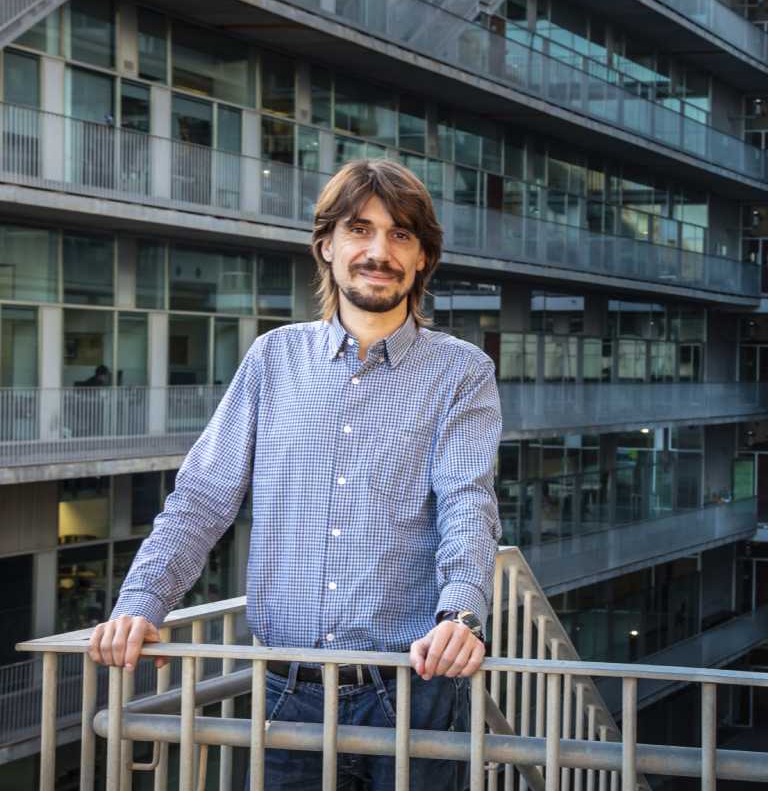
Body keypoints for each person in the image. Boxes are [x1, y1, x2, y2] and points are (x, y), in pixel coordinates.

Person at [87, 159, 503, 790]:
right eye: (360, 229)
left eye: (401, 235)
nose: (378, 251)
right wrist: (142, 604)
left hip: (417, 691)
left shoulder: (462, 372)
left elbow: (467, 504)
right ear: (327, 247)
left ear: (422, 258)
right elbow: (202, 498)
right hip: (286, 693)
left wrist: (462, 616)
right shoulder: (272, 359)